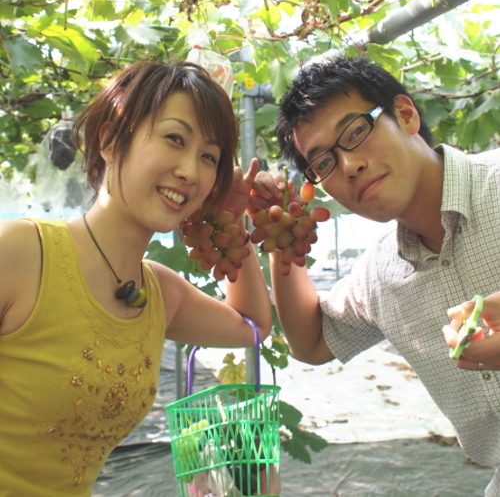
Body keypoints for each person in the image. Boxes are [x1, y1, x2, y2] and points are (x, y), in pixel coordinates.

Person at [0, 61, 272, 497]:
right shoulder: (20, 254)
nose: (190, 171)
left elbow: (252, 326)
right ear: (109, 140)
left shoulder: (159, 293)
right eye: (174, 138)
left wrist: (230, 223)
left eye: (209, 157)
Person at [247, 55, 500, 496]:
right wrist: (281, 236)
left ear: (405, 114)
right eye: (322, 163)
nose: (347, 166)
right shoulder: (381, 274)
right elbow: (313, 342)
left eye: (355, 133)